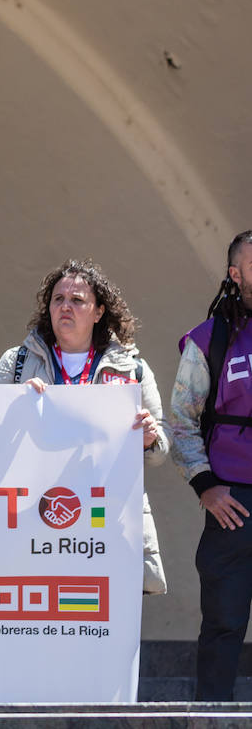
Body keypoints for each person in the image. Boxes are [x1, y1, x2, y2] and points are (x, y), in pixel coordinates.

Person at [0, 258, 168, 595]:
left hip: (103, 516)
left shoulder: (132, 368)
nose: (65, 307)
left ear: (99, 311)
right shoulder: (17, 362)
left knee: (101, 619)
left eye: (77, 300)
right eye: (58, 299)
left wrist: (149, 439)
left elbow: (161, 449)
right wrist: (15, 407)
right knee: (43, 614)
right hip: (32, 513)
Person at [168, 229, 252, 700]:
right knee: (223, 627)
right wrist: (206, 486)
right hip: (232, 506)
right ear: (234, 274)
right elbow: (181, 420)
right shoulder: (210, 338)